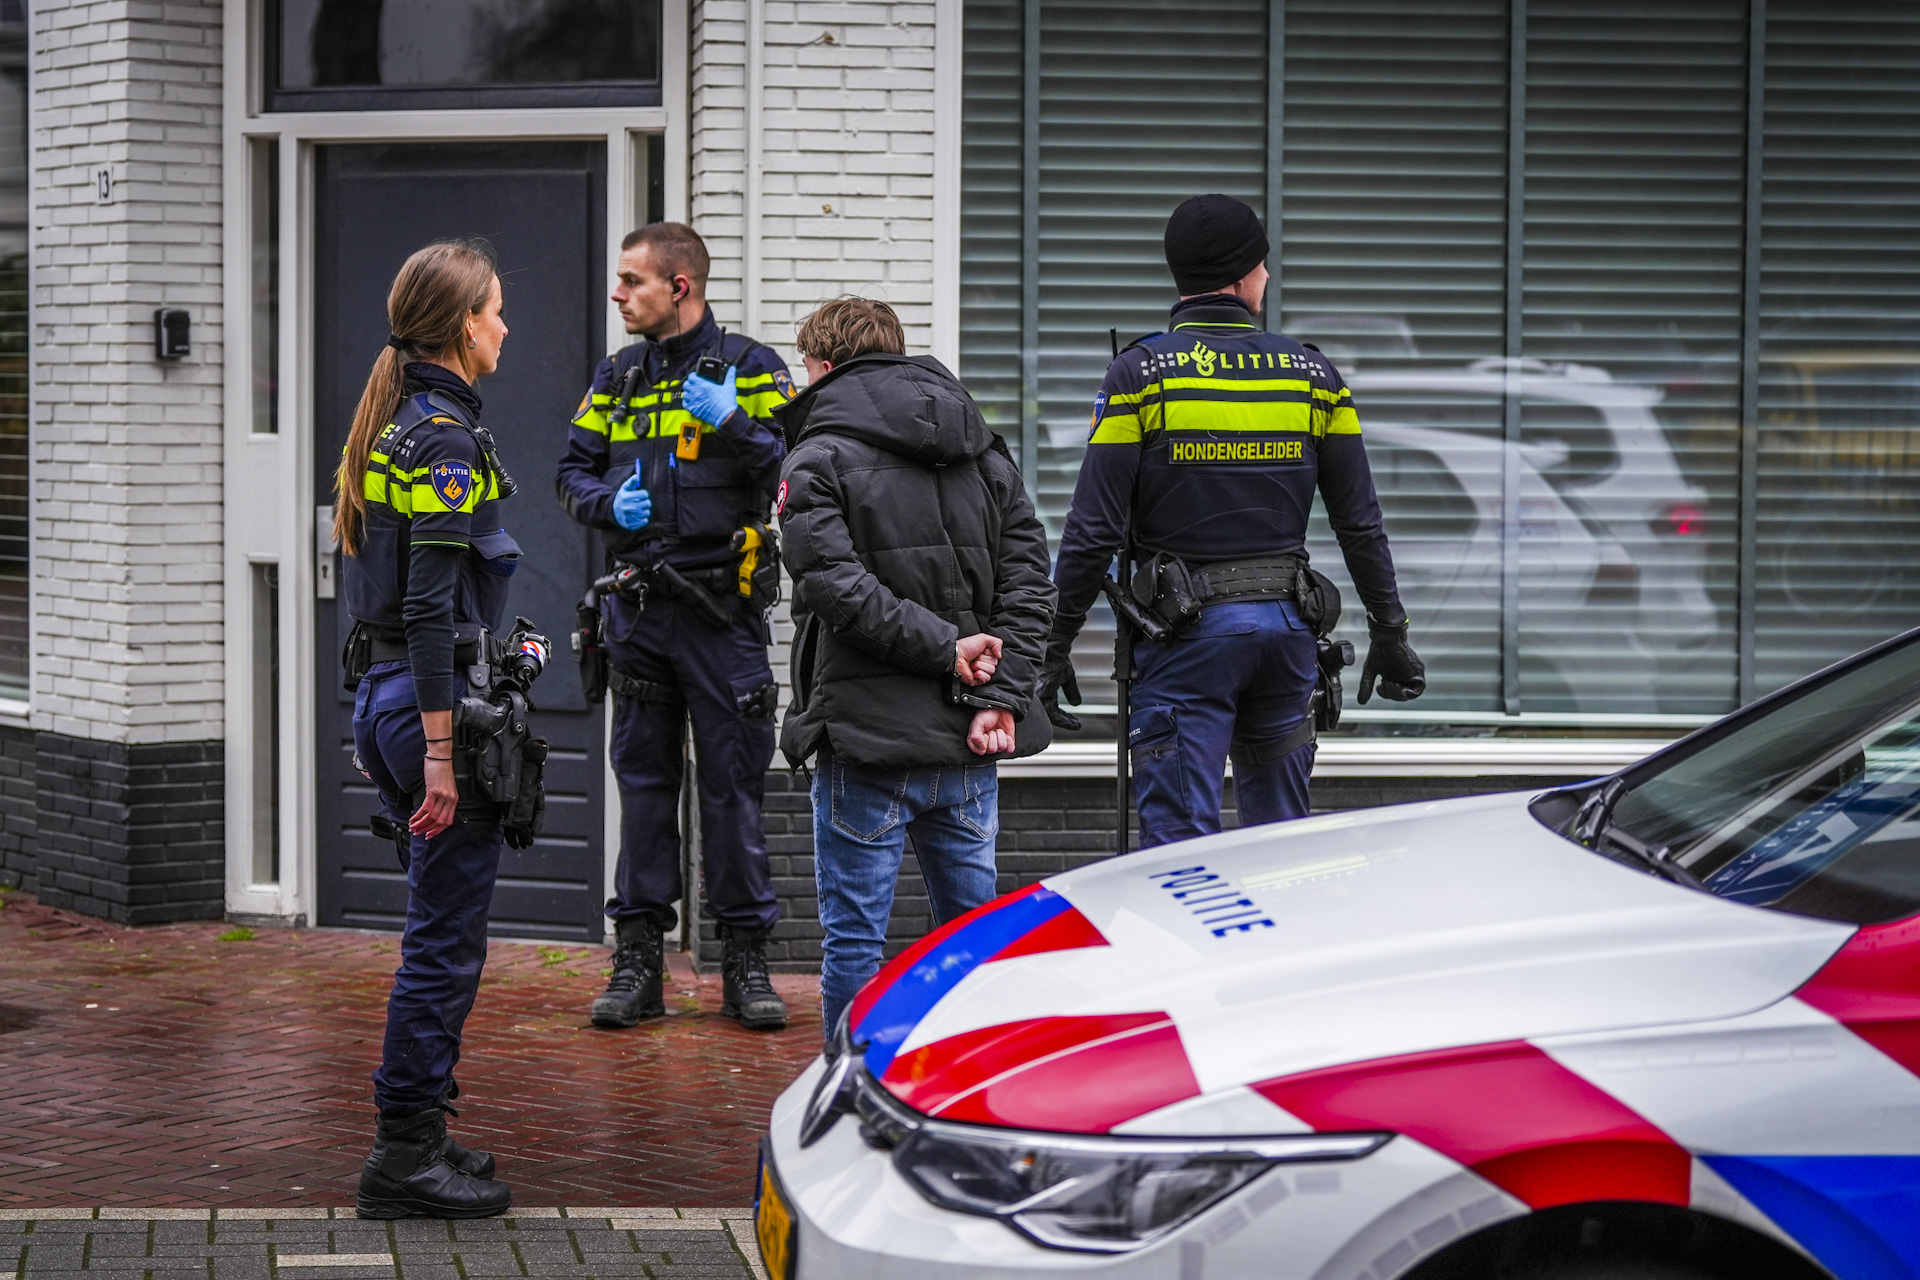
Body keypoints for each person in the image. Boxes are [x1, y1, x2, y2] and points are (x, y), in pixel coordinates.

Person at [1042, 194, 1425, 848]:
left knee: (1179, 859)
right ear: (1244, 274)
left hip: (1184, 640)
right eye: (1264, 265)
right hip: (1287, 633)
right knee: (1279, 850)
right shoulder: (1315, 376)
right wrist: (1390, 631)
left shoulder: (1140, 374)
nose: (1267, 277)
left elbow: (1093, 529)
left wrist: (1052, 646)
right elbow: (1360, 523)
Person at [774, 296, 1057, 1039]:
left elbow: (832, 584)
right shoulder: (985, 451)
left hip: (867, 742)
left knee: (855, 946)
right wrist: (1000, 694)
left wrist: (944, 649)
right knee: (973, 944)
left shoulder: (815, 456)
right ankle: (971, 1080)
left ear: (825, 367)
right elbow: (1032, 583)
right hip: (970, 740)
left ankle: (849, 1090)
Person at [555, 222, 793, 1031]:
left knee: (733, 792)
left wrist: (735, 423)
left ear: (679, 286)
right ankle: (638, 965)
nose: (618, 294)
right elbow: (570, 472)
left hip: (722, 616)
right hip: (639, 614)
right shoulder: (618, 375)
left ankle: (746, 964)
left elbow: (796, 473)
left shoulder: (751, 369)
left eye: (632, 281)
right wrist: (604, 504)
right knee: (646, 793)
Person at [333, 240, 517, 1218]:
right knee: (443, 943)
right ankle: (402, 1154)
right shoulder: (444, 441)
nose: (505, 327)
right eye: (496, 310)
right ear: (462, 325)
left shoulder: (396, 423)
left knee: (439, 932)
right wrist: (441, 754)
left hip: (389, 697)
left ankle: (426, 1135)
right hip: (423, 706)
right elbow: (430, 609)